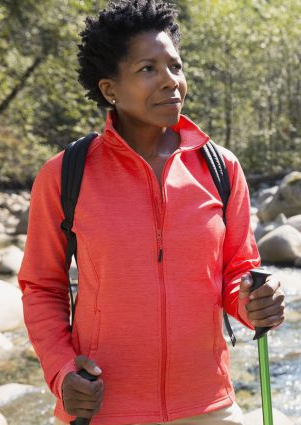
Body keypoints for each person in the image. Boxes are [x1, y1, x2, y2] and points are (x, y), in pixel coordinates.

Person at [17, 1, 286, 424]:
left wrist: (253, 301)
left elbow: (237, 271)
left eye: (175, 67)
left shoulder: (220, 168)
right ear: (110, 90)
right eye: (148, 69)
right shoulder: (65, 174)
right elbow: (42, 287)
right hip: (101, 410)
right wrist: (62, 370)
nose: (170, 82)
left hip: (208, 406)